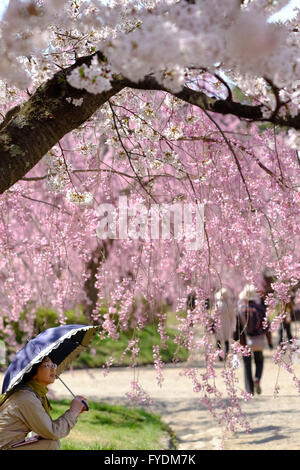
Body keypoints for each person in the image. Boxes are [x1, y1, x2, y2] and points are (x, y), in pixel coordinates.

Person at [0, 355, 88, 450]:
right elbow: (52, 432)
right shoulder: (26, 398)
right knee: (50, 445)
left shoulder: (34, 394)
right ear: (33, 371)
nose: (53, 368)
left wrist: (74, 412)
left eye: (53, 365)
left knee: (48, 442)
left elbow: (44, 429)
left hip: (10, 444)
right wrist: (73, 411)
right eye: (46, 365)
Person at [234, 284, 273, 395]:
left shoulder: (240, 310)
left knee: (247, 365)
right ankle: (257, 378)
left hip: (245, 341)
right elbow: (267, 326)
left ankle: (249, 389)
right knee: (259, 361)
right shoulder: (261, 309)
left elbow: (237, 329)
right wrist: (269, 341)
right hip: (258, 340)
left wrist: (236, 341)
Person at [214, 288, 235, 360]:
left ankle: (220, 356)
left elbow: (214, 315)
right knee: (226, 340)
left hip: (219, 324)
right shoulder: (229, 304)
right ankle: (225, 354)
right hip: (227, 323)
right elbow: (232, 315)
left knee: (218, 340)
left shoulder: (217, 304)